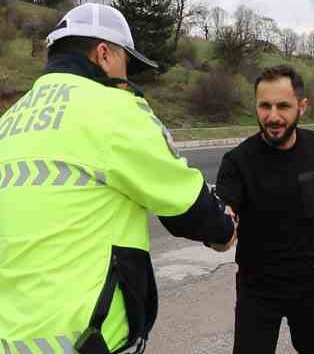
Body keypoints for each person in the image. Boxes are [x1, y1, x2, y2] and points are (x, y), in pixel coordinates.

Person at [0, 4, 235, 354]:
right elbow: (188, 207)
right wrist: (223, 229)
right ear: (104, 54)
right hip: (82, 339)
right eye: (128, 65)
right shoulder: (114, 110)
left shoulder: (11, 120)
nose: (129, 80)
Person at [214, 65, 314, 354]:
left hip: (313, 282)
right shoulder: (237, 161)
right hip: (258, 287)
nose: (272, 116)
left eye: (283, 106)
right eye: (264, 105)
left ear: (302, 106)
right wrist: (218, 230)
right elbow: (224, 215)